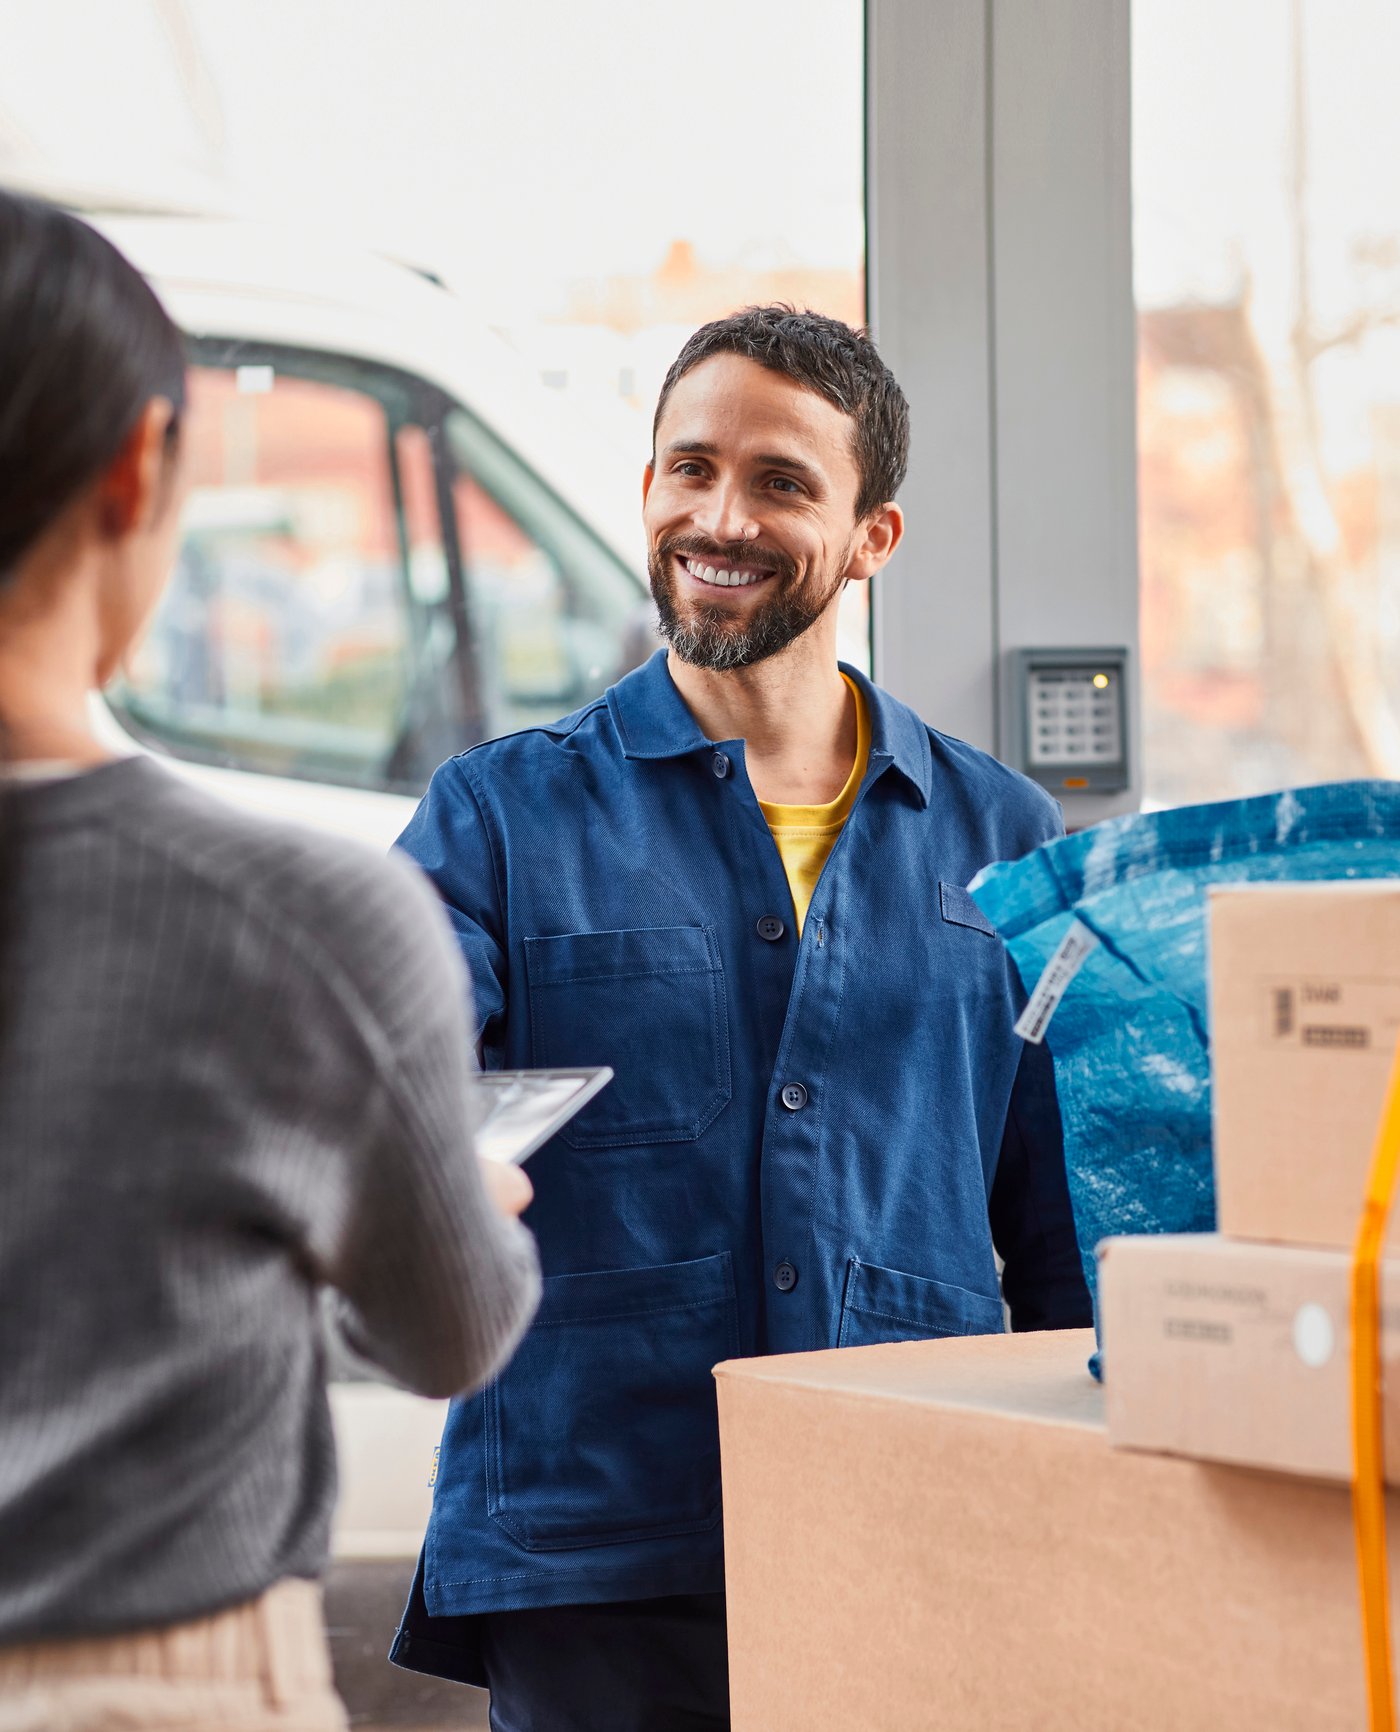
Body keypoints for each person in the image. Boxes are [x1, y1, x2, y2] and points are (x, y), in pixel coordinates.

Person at [390, 306, 1093, 1730]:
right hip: (599, 1542)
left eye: (782, 482)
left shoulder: (1005, 838)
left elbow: (1060, 1218)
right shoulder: (498, 817)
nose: (721, 516)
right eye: (688, 468)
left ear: (870, 537)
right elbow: (384, 1095)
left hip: (914, 1515)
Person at [0, 191, 541, 1730]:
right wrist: (462, 1191)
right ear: (136, 471)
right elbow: (444, 1331)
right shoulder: (310, 920)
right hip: (143, 1683)